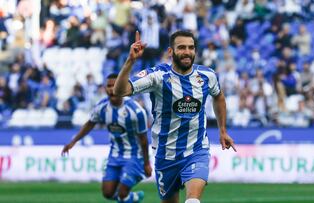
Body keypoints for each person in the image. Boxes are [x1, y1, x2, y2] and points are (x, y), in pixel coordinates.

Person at [113, 30, 236, 203]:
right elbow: (119, 91)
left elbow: (219, 96)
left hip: (197, 150)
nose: (187, 52)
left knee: (193, 200)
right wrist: (130, 61)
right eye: (182, 47)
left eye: (191, 47)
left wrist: (223, 130)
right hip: (166, 155)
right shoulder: (157, 76)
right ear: (171, 52)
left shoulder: (207, 75)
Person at [61, 73, 152, 203]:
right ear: (105, 88)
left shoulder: (136, 111)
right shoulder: (102, 107)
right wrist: (73, 142)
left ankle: (125, 196)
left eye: (115, 85)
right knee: (108, 193)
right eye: (109, 86)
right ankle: (133, 198)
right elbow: (90, 124)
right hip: (114, 155)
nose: (111, 89)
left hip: (134, 156)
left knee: (121, 192)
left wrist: (147, 163)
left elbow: (143, 139)